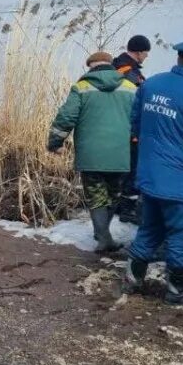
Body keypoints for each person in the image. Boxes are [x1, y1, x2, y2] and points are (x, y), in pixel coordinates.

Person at [123, 37, 183, 306]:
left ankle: (131, 281)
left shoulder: (151, 84)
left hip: (150, 175)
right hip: (179, 179)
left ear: (179, 60)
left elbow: (135, 125)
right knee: (182, 233)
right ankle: (177, 291)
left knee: (150, 228)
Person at [47, 51, 137, 252]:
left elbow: (66, 117)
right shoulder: (130, 87)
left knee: (96, 196)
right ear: (110, 65)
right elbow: (139, 120)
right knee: (114, 195)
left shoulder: (82, 87)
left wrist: (55, 142)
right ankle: (104, 235)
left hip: (91, 155)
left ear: (91, 67)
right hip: (120, 154)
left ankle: (103, 237)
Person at [112, 34, 152, 222]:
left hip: (119, 127)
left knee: (124, 170)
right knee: (133, 171)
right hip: (130, 130)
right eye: (145, 53)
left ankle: (121, 206)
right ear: (138, 52)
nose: (146, 56)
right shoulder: (129, 73)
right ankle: (127, 212)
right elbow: (138, 101)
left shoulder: (118, 66)